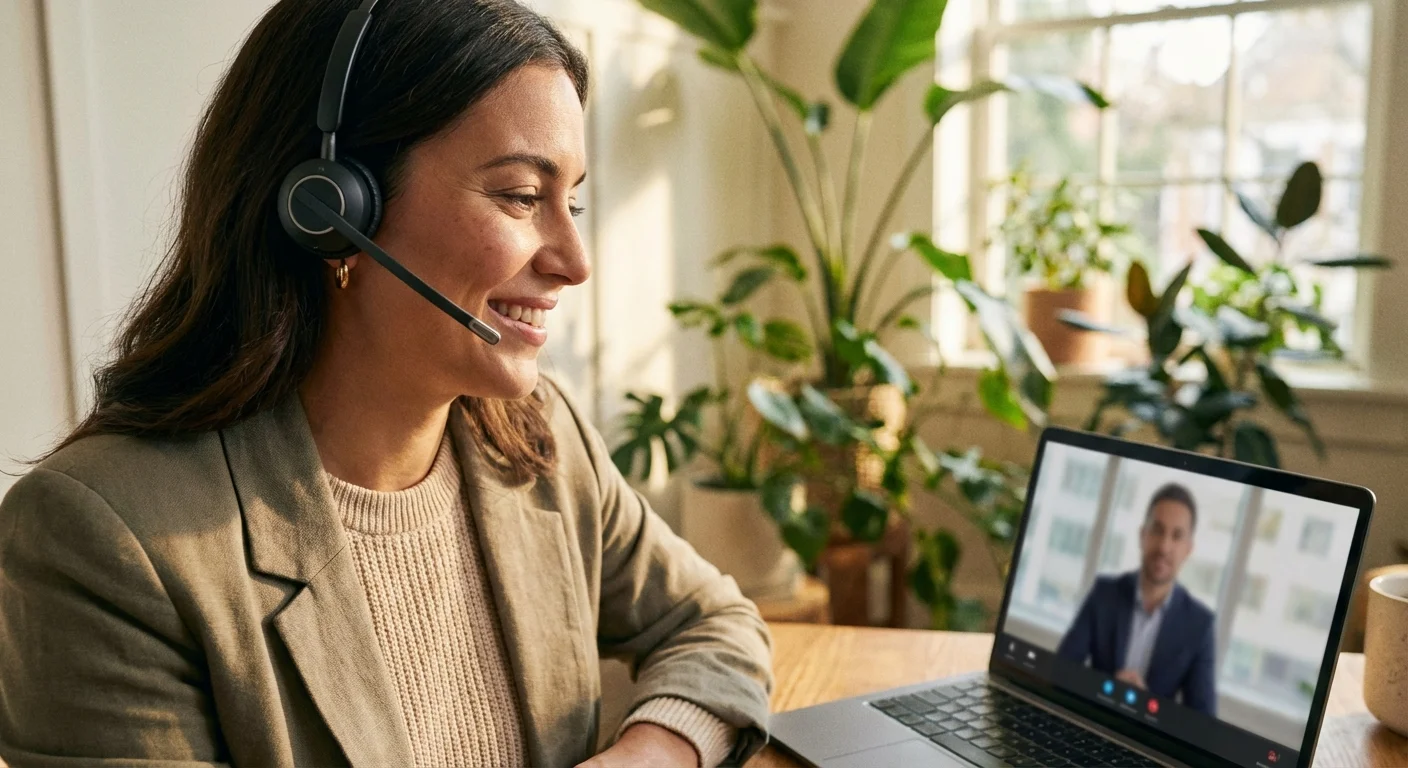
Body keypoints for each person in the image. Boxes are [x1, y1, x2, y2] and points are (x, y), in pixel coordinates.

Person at [0, 1, 771, 766]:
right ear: (330, 211)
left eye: (570, 200)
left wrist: (655, 752)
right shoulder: (102, 538)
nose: (575, 260)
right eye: (521, 197)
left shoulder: (541, 439)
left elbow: (715, 623)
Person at [1056, 482, 1217, 716]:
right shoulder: (1104, 593)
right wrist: (1107, 689)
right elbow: (1061, 672)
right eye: (1158, 530)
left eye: (1177, 536)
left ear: (1188, 549)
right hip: (1093, 721)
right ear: (1143, 535)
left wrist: (1147, 706)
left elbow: (1204, 724)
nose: (1164, 546)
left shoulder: (1200, 625)